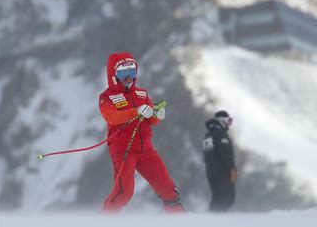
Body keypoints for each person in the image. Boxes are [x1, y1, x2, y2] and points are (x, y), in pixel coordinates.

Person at [98, 52, 183, 213]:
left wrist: (156, 115)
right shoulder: (107, 97)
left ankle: (180, 222)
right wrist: (135, 111)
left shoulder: (141, 93)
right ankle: (105, 222)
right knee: (124, 192)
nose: (129, 77)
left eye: (132, 72)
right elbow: (112, 117)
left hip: (146, 150)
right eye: (123, 73)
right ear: (113, 75)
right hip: (124, 150)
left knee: (168, 188)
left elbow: (150, 119)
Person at [202, 111, 238, 212]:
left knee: (217, 198)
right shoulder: (221, 134)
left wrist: (211, 169)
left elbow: (208, 155)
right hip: (222, 171)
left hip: (210, 172)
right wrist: (232, 168)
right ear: (221, 121)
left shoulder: (208, 135)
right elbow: (225, 153)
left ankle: (212, 219)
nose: (229, 124)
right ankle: (214, 219)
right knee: (228, 197)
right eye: (228, 120)